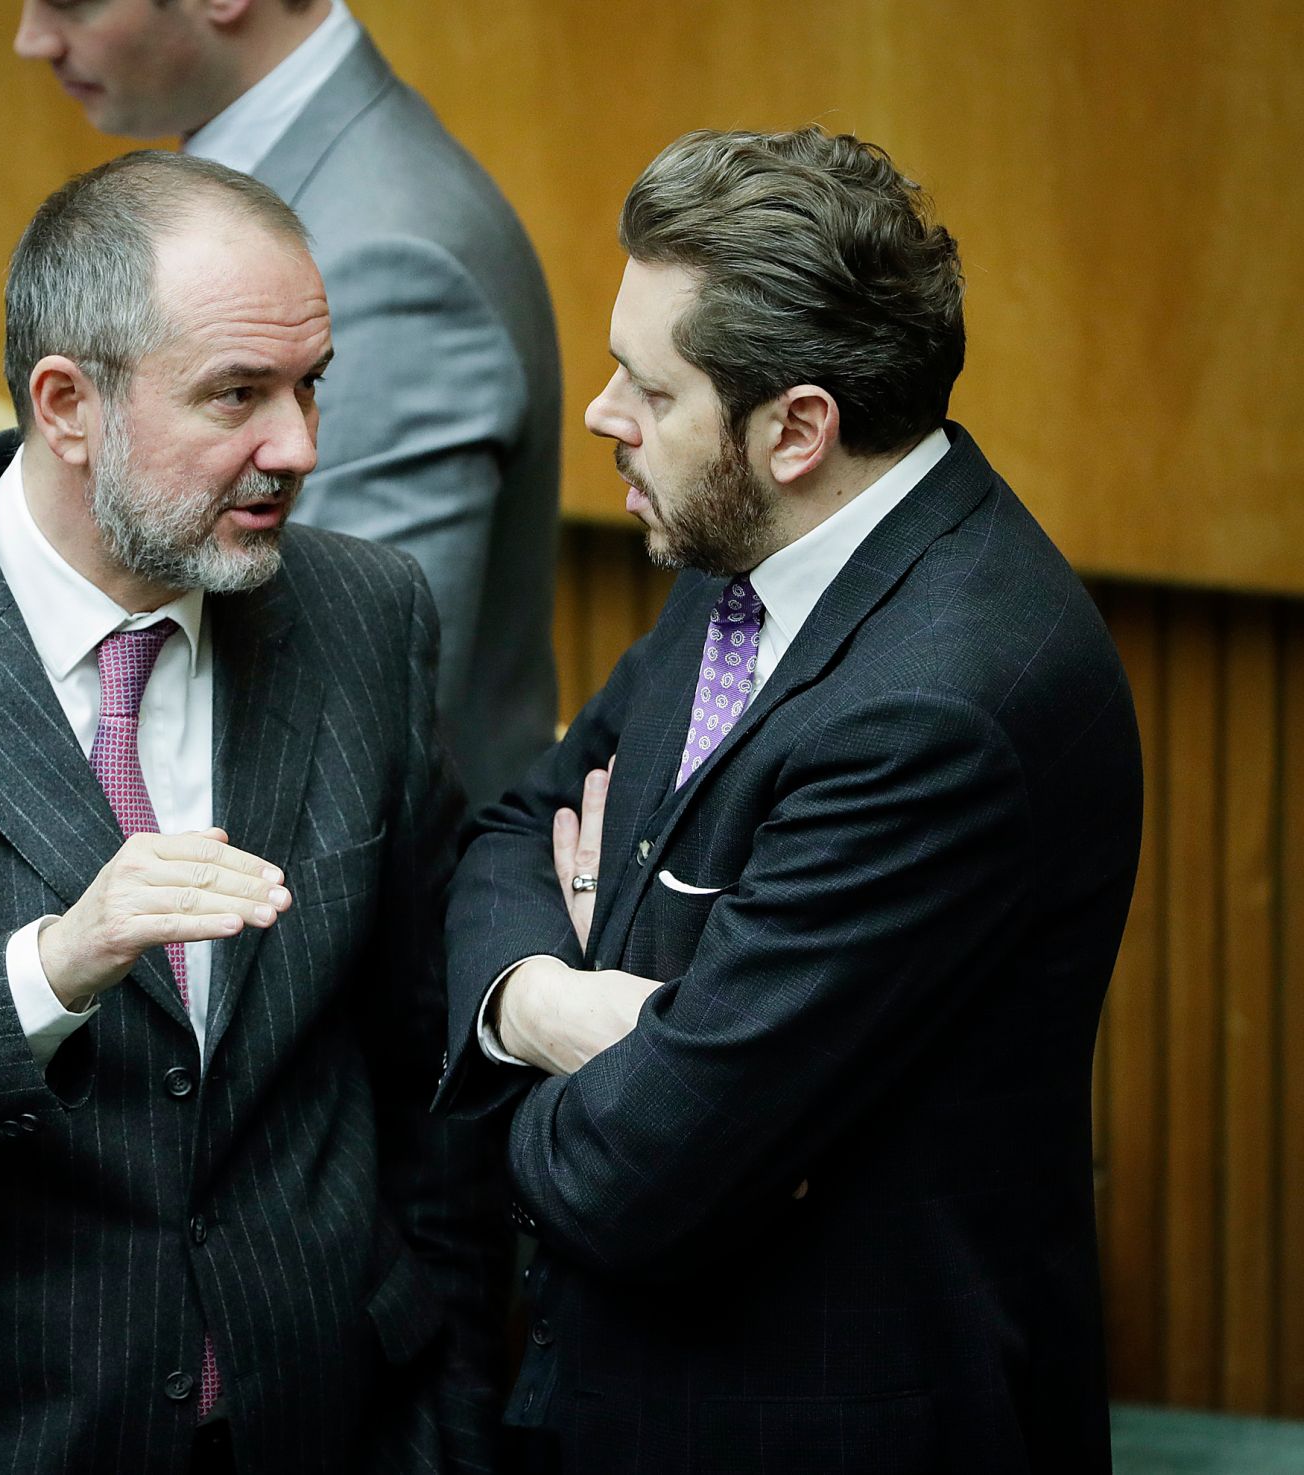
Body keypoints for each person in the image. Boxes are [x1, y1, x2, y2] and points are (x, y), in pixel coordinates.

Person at [0, 151, 505, 1475]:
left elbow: (423, 1066)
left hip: (334, 1417)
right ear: (68, 404)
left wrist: (459, 1413)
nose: (295, 445)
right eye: (237, 394)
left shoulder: (366, 616)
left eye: (310, 386)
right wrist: (53, 965)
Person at [437, 127, 1142, 1474]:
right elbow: (518, 830)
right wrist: (559, 1003)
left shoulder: (941, 707)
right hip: (621, 1386)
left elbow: (633, 1178)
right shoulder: (751, 539)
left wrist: (559, 1058)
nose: (600, 413)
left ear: (797, 426)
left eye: (648, 386)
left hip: (815, 1421)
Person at [0, 0, 562, 810]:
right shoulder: (277, 176)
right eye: (238, 391)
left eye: (69, 2)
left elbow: (325, 685)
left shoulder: (390, 249)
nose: (31, 37)